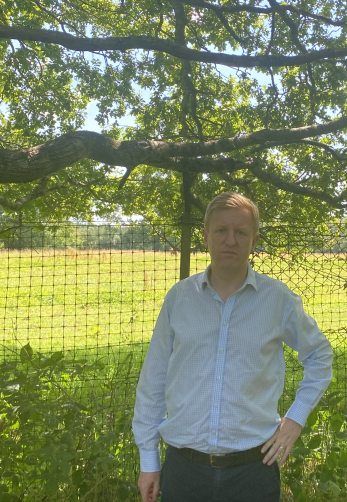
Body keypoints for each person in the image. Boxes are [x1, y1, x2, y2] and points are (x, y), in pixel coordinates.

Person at [132, 192, 333, 502]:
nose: (231, 240)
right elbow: (153, 379)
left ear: (253, 241)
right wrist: (149, 462)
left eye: (241, 232)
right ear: (205, 237)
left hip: (253, 470)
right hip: (185, 470)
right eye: (221, 231)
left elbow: (319, 356)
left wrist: (295, 418)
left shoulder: (277, 299)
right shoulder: (179, 298)